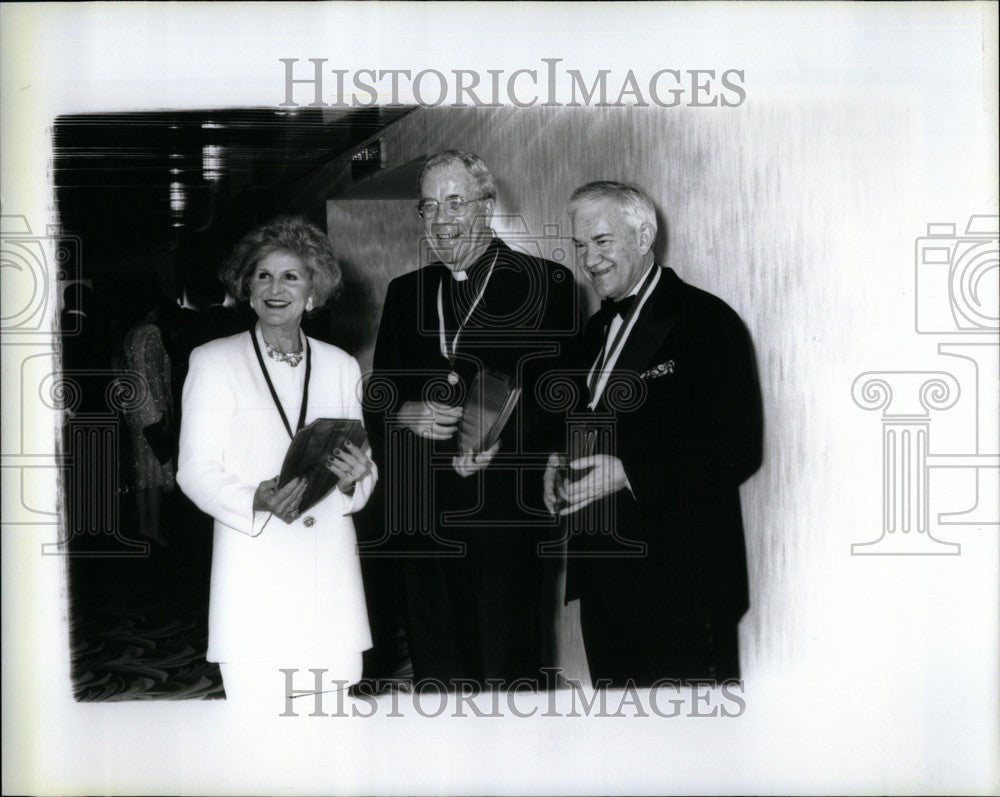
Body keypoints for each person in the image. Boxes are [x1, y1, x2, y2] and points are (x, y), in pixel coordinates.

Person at [365, 150, 577, 688]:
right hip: (423, 510)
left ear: (487, 204)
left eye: (455, 201)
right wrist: (402, 411)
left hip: (502, 508)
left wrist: (504, 442)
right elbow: (378, 395)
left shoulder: (545, 281)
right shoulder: (405, 291)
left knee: (509, 660)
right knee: (437, 658)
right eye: (429, 206)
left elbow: (558, 396)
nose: (442, 218)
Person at [544, 181, 763, 687]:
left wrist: (628, 472)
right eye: (581, 247)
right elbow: (587, 425)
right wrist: (556, 461)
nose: (590, 260)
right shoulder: (590, 337)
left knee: (694, 755)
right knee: (626, 752)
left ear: (644, 235)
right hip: (603, 587)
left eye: (602, 241)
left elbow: (738, 448)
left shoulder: (707, 321)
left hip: (682, 591)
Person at [177, 216, 376, 707]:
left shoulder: (341, 365)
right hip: (255, 573)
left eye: (291, 276)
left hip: (328, 574)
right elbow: (194, 469)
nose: (275, 288)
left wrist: (355, 480)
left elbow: (364, 465)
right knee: (259, 726)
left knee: (332, 722)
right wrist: (255, 500)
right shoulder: (213, 360)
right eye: (263, 275)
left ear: (313, 291)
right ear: (247, 288)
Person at [121, 289, 176, 547]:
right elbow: (155, 374)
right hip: (151, 406)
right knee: (154, 470)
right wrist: (164, 411)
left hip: (134, 407)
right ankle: (154, 530)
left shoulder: (130, 334)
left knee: (142, 472)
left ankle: (145, 526)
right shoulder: (152, 332)